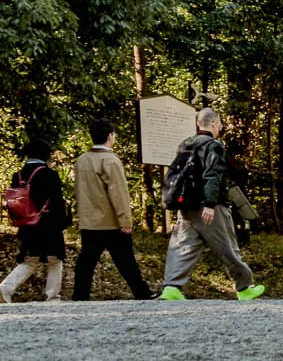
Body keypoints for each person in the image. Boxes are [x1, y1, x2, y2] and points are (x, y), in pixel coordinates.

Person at [156, 110, 265, 302]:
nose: (221, 127)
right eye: (220, 124)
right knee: (228, 247)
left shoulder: (186, 144)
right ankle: (244, 288)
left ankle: (171, 287)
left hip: (187, 206)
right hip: (209, 207)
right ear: (214, 124)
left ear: (198, 124)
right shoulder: (213, 146)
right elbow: (212, 175)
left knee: (183, 245)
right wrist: (210, 203)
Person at [70, 119, 152, 302]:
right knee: (126, 261)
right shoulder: (110, 160)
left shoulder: (81, 160)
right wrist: (125, 220)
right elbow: (119, 193)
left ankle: (79, 295)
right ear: (109, 136)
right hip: (110, 220)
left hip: (89, 221)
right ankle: (142, 293)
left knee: (86, 261)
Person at [2, 135, 68, 303]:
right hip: (48, 223)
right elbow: (57, 201)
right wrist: (63, 221)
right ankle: (52, 295)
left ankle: (5, 288)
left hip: (26, 224)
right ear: (46, 155)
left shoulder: (18, 175)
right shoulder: (49, 174)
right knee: (55, 260)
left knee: (29, 260)